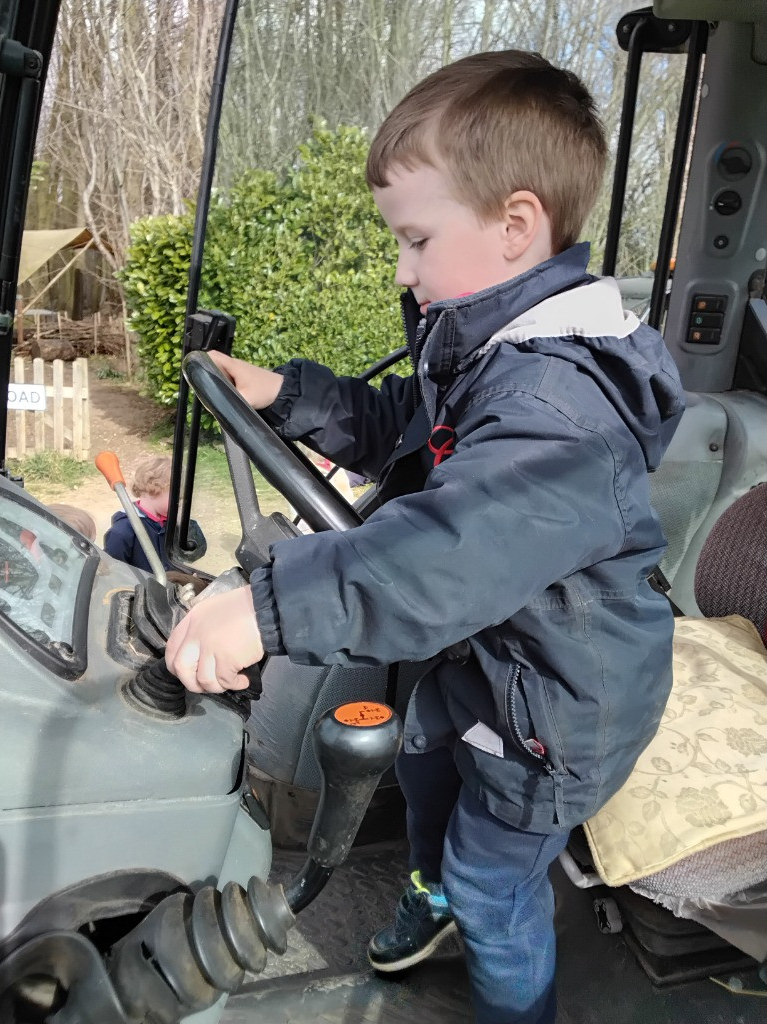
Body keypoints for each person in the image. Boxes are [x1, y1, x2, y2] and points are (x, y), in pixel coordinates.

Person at [165, 50, 685, 1024]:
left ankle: (503, 981)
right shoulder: (488, 342)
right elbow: (413, 427)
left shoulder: (562, 405)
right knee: (421, 760)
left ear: (514, 225)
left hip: (560, 707)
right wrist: (288, 395)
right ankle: (432, 887)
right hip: (493, 655)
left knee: (497, 882)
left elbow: (454, 547)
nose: (401, 268)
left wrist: (273, 608)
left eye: (414, 239)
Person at [104, 455, 206, 572]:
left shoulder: (173, 522)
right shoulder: (124, 530)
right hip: (142, 588)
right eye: (178, 496)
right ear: (154, 489)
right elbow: (113, 570)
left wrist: (185, 525)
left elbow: (196, 553)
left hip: (173, 583)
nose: (180, 502)